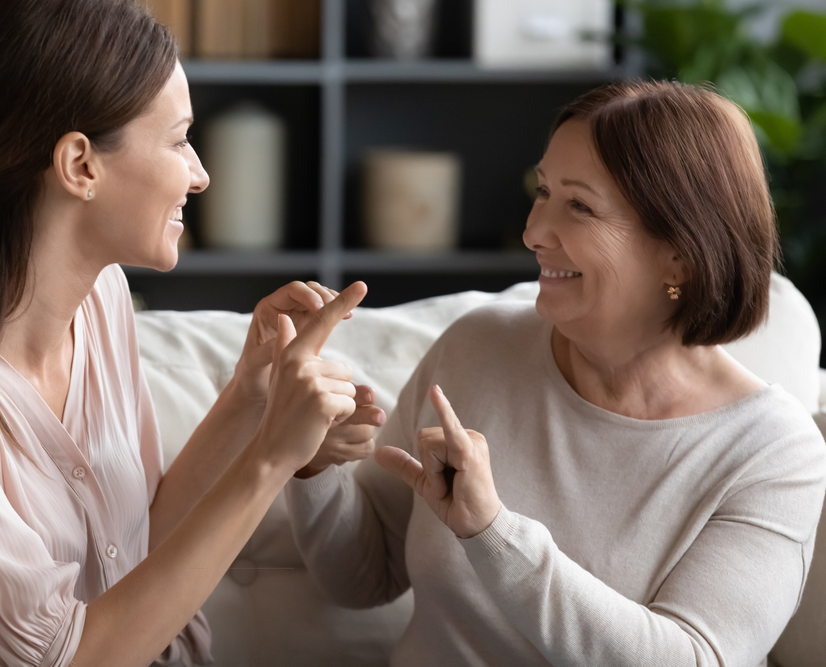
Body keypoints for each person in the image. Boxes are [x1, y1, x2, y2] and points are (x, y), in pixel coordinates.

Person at [0, 1, 384, 665]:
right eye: (178, 139)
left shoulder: (100, 298)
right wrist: (272, 460)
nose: (200, 174)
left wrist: (252, 396)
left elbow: (134, 546)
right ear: (80, 165)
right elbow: (74, 657)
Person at [285, 80, 826, 666]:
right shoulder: (477, 347)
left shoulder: (775, 453)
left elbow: (694, 658)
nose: (533, 232)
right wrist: (313, 463)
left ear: (680, 253)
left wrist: (493, 533)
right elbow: (365, 579)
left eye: (579, 206)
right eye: (542, 192)